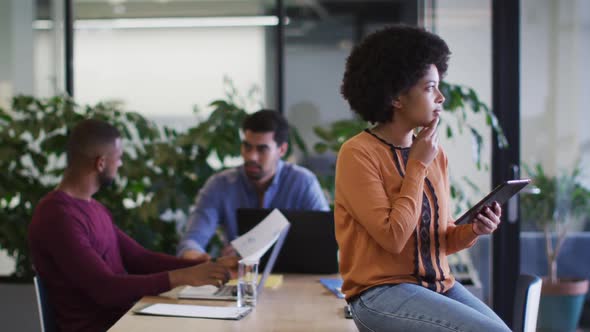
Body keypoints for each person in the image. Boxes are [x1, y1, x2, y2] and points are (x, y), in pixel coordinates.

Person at [335, 25, 511, 331]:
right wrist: (416, 165)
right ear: (397, 97)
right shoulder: (358, 154)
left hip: (437, 285)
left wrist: (473, 230)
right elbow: (393, 238)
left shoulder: (433, 153)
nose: (441, 97)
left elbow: (439, 240)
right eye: (430, 88)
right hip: (379, 294)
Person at [28, 119, 238, 332]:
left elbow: (139, 259)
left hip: (126, 321)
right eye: (118, 159)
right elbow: (105, 288)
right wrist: (183, 277)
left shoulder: (94, 208)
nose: (119, 165)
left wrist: (206, 267)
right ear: (100, 163)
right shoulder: (56, 216)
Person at [177, 109, 329, 259]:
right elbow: (192, 240)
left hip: (296, 277)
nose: (252, 157)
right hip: (240, 276)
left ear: (282, 150)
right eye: (247, 146)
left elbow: (326, 240)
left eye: (262, 149)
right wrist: (196, 256)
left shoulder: (303, 182)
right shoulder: (220, 185)